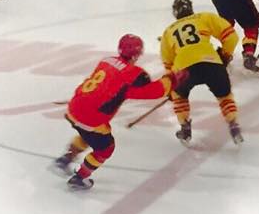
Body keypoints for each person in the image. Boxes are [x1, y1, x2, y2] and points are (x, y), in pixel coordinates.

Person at [53, 35, 181, 190]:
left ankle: (65, 159)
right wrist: (172, 79)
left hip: (74, 107)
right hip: (92, 118)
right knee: (105, 148)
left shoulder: (106, 61)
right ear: (137, 54)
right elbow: (153, 91)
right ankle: (79, 178)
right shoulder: (134, 74)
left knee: (88, 135)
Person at [160, 0, 243, 145]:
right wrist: (224, 55)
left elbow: (168, 64)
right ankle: (233, 125)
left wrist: (170, 88)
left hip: (184, 68)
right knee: (224, 95)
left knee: (179, 95)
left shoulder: (168, 32)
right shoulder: (204, 17)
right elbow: (231, 36)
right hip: (211, 62)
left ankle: (185, 128)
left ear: (175, 13)